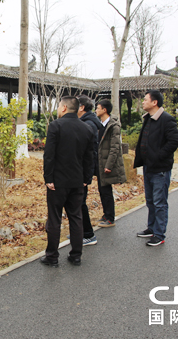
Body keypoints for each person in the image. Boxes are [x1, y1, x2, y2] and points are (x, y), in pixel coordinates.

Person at [41, 96, 96, 267]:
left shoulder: (56, 126)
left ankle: (52, 256)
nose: (58, 109)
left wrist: (48, 178)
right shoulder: (87, 128)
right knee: (76, 217)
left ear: (64, 107)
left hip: (57, 182)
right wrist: (86, 179)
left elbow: (49, 155)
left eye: (58, 106)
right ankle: (76, 255)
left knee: (55, 218)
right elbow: (90, 157)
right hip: (77, 181)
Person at [133, 91, 178, 246]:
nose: (143, 102)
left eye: (145, 99)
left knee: (160, 202)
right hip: (148, 167)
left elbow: (174, 142)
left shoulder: (167, 120)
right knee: (150, 200)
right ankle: (151, 228)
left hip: (160, 168)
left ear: (154, 102)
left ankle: (159, 234)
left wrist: (158, 156)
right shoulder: (148, 119)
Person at [95, 99, 127, 227]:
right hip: (100, 162)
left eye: (98, 108)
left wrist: (109, 165)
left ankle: (110, 218)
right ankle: (106, 214)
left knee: (106, 190)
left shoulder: (113, 126)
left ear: (104, 110)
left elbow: (115, 148)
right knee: (102, 190)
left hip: (106, 164)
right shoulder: (101, 124)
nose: (96, 110)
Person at [76, 95, 102, 246]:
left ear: (81, 107)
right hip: (81, 172)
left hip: (82, 173)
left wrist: (86, 178)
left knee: (80, 203)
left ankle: (88, 234)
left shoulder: (89, 125)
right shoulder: (87, 122)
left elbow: (89, 153)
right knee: (78, 203)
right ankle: (81, 232)